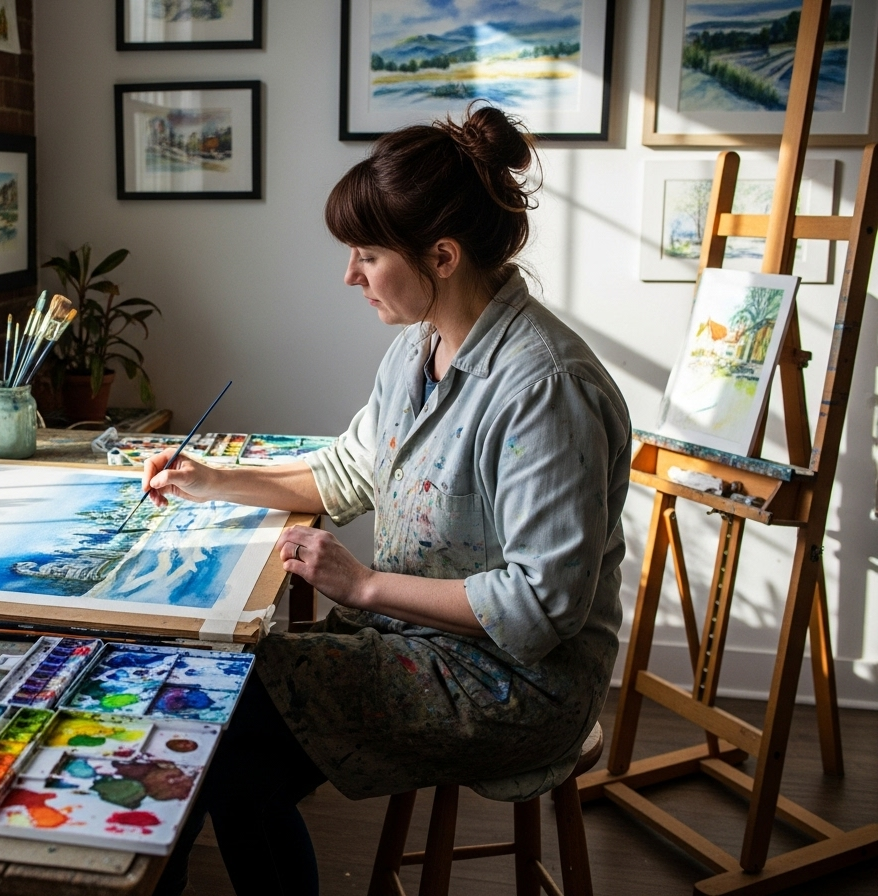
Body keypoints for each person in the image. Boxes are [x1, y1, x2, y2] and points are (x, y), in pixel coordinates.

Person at [146, 104, 632, 896]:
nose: (350, 276)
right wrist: (210, 479)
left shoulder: (544, 387)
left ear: (441, 255)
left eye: (367, 255)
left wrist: (363, 586)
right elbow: (344, 473)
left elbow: (541, 607)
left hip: (514, 683)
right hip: (417, 642)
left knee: (213, 743)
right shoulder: (418, 348)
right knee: (213, 730)